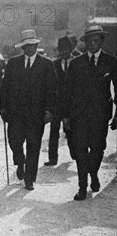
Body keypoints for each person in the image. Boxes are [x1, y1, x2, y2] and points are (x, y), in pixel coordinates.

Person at [61, 25, 117, 200]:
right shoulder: (76, 64)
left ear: (101, 41)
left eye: (97, 40)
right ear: (85, 43)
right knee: (80, 150)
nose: (93, 43)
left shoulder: (111, 62)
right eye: (90, 40)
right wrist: (65, 116)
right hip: (79, 115)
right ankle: (82, 187)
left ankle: (93, 173)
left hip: (101, 115)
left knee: (98, 149)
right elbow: (67, 91)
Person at [0, 30, 56, 190]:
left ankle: (30, 178)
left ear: (37, 45)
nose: (30, 48)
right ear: (23, 48)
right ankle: (20, 161)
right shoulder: (13, 63)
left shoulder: (47, 64)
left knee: (34, 145)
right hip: (15, 114)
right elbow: (5, 87)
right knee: (14, 142)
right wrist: (2, 107)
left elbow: (52, 90)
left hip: (36, 115)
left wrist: (49, 110)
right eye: (27, 46)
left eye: (33, 45)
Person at [45, 36, 73, 166]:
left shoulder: (76, 63)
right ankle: (52, 158)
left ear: (71, 49)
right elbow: (49, 85)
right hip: (56, 105)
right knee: (54, 131)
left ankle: (75, 153)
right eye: (62, 49)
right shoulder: (53, 64)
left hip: (72, 105)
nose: (64, 52)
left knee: (71, 131)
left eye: (66, 49)